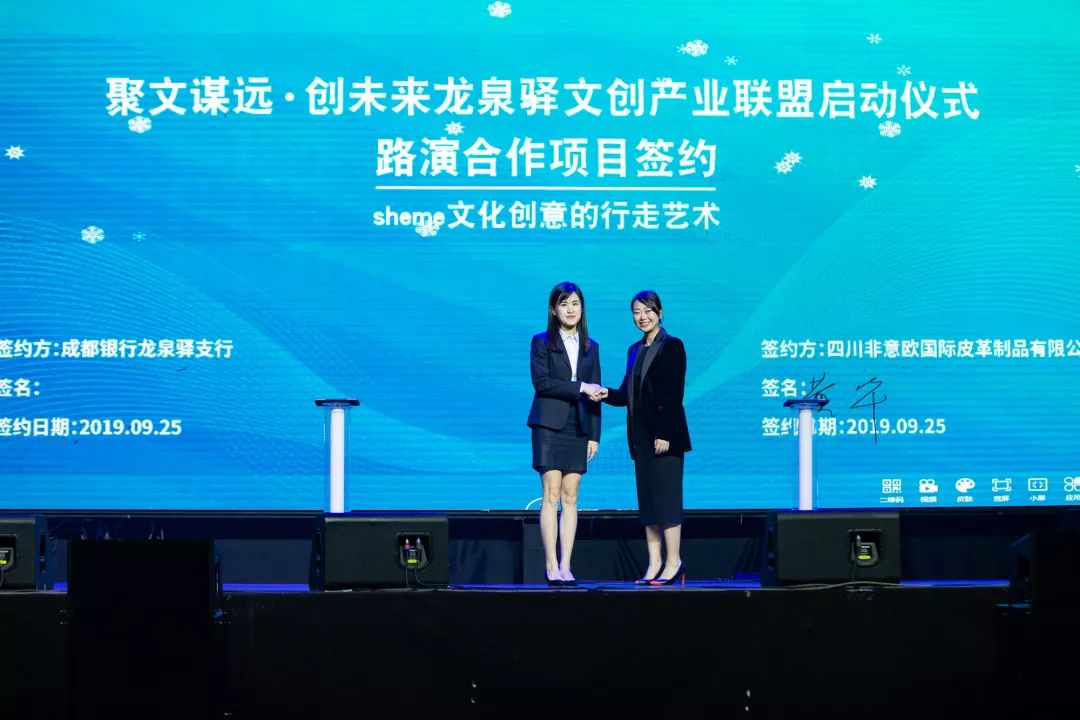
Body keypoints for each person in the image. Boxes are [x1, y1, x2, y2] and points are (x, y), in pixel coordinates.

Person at [600, 290, 691, 585]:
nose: (643, 317)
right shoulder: (634, 350)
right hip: (640, 438)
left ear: (660, 313)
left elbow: (673, 394)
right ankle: (654, 563)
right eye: (637, 312)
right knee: (649, 504)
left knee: (667, 501)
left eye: (648, 310)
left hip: (666, 437)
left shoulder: (672, 345)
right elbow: (626, 394)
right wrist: (603, 393)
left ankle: (674, 561)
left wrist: (664, 432)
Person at [527, 282, 604, 586]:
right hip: (548, 424)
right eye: (564, 304)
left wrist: (594, 435)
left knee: (571, 496)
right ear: (553, 310)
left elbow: (596, 391)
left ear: (582, 308)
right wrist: (580, 387)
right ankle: (550, 564)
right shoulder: (541, 342)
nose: (570, 310)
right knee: (552, 494)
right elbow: (542, 383)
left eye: (575, 304)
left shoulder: (591, 346)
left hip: (579, 426)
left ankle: (566, 565)